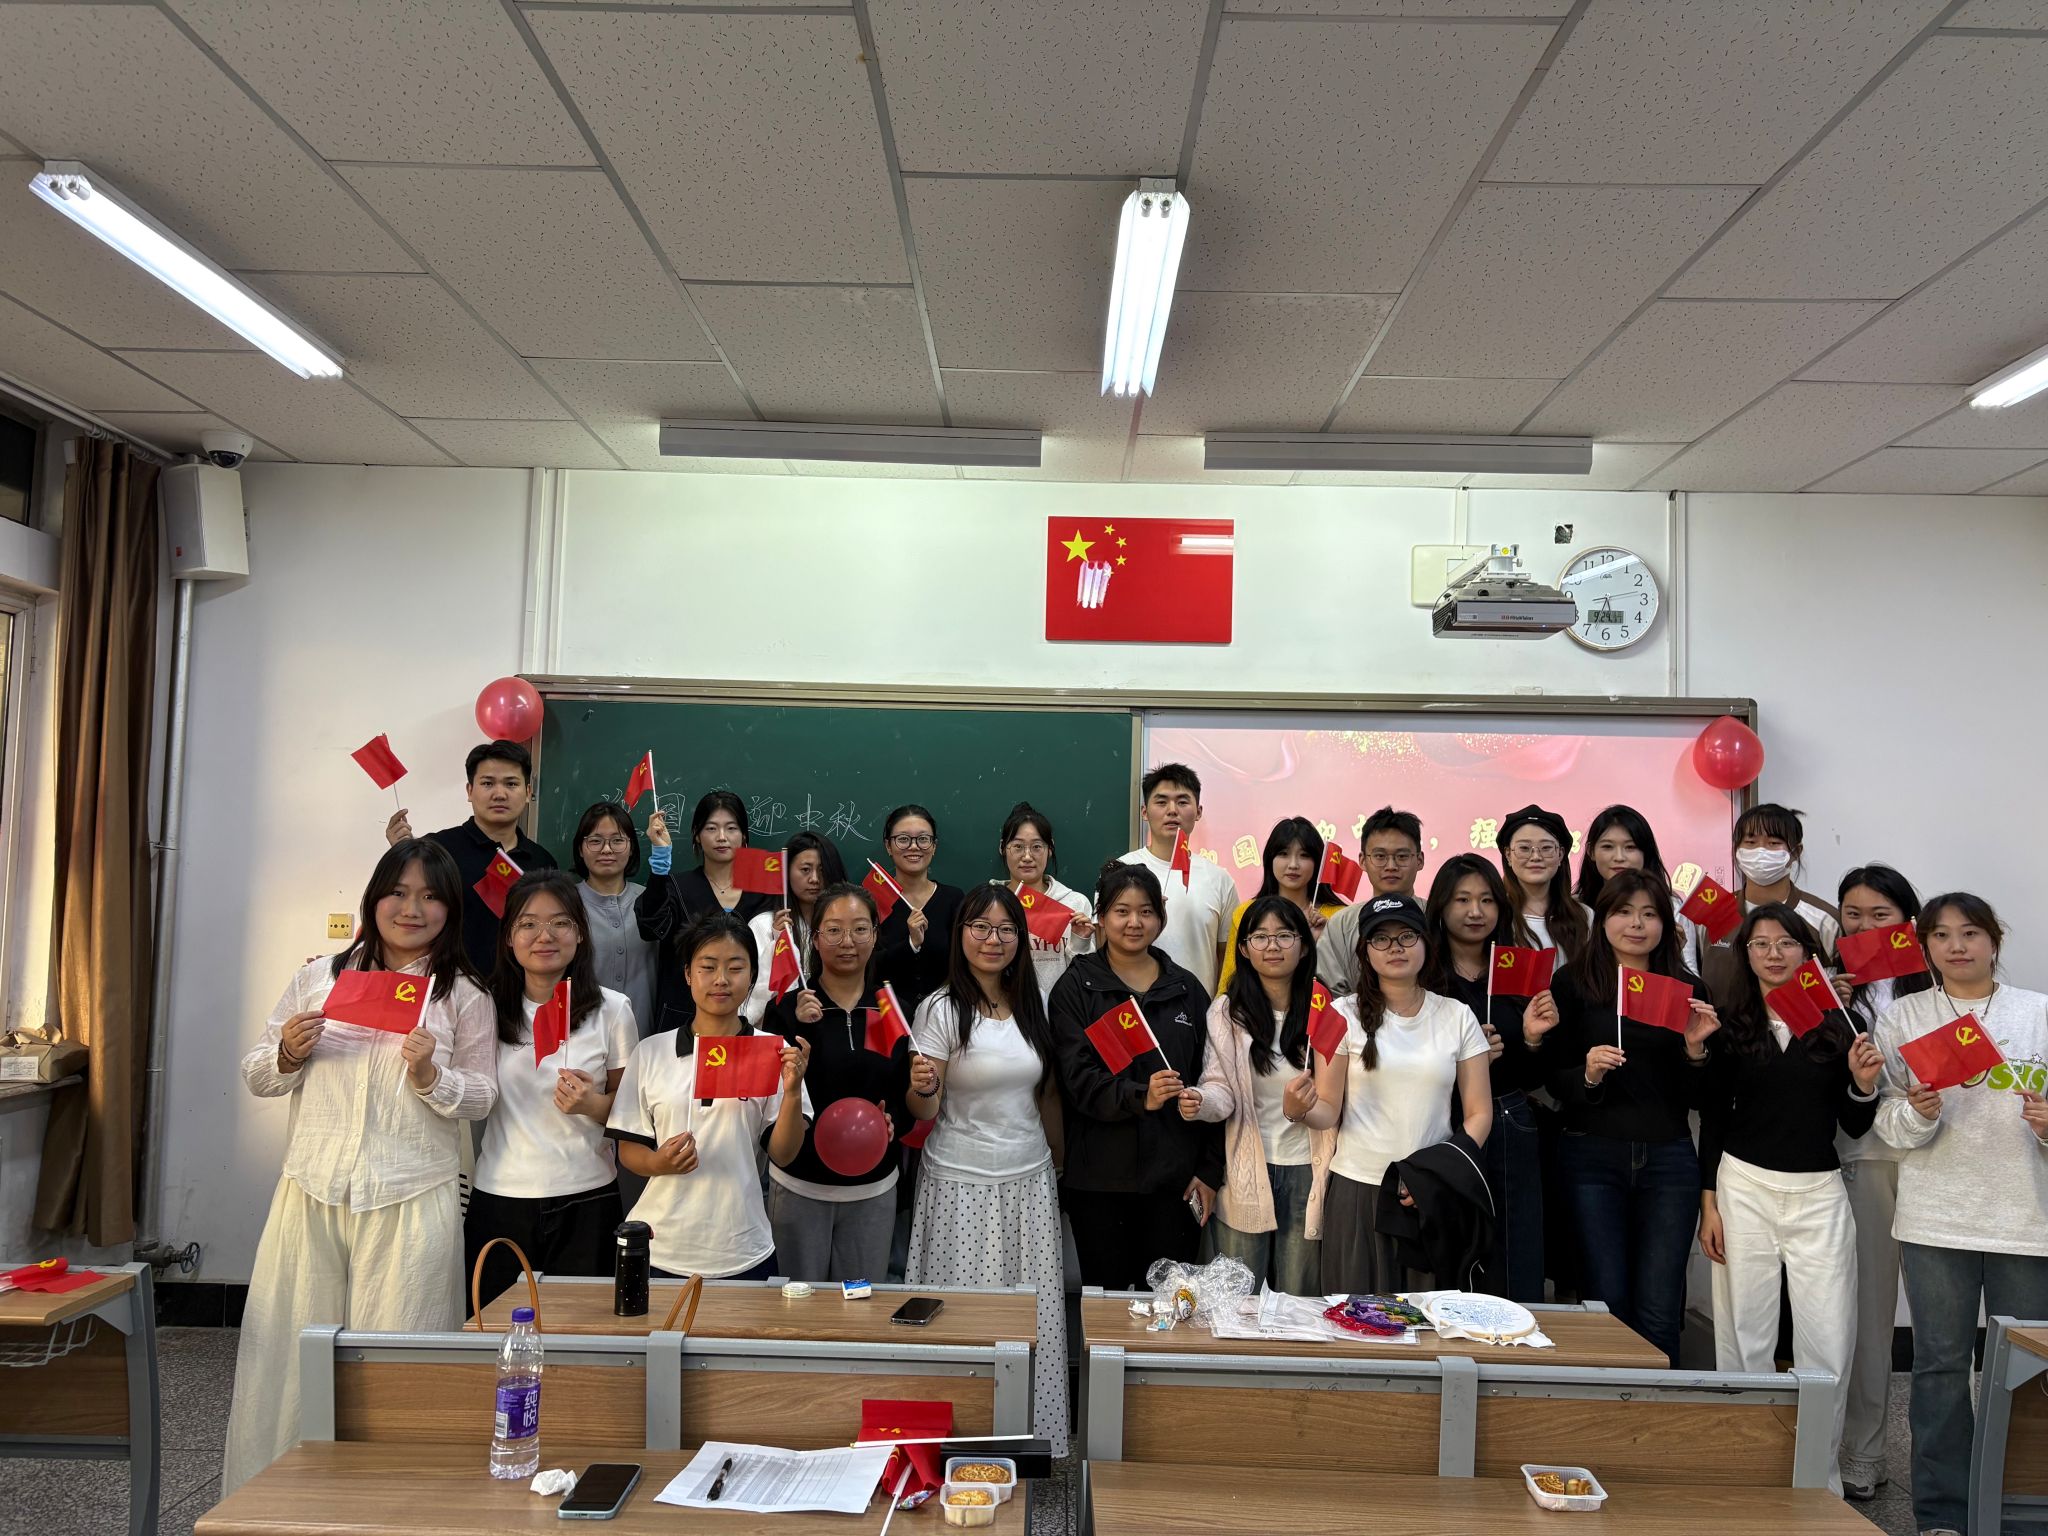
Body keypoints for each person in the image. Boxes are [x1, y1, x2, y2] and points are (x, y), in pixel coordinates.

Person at [223, 840, 496, 1495]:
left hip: (412, 1195)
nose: (412, 908)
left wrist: (430, 1076)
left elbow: (484, 1094)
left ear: (451, 909)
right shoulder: (319, 978)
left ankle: (395, 1507)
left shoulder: (462, 994)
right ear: (374, 899)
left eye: (430, 896)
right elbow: (257, 1073)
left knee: (401, 1369)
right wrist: (287, 1053)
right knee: (288, 1358)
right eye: (398, 892)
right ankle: (278, 1504)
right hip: (312, 1191)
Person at [1872, 892, 2048, 1536]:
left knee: (2027, 1370)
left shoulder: (2039, 1013)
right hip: (1935, 1219)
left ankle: (2020, 1507)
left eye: (1970, 932)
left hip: (2026, 1220)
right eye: (1941, 935)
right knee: (1941, 1367)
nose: (1957, 946)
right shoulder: (1904, 1018)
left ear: (1994, 939)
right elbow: (1887, 1121)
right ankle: (1943, 1513)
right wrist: (1917, 1114)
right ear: (1925, 947)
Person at [1697, 905, 1883, 1490]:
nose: (1774, 954)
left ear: (1809, 953)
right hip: (1742, 1185)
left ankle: (1818, 1479)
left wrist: (1864, 1085)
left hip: (1818, 1193)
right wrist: (1709, 1202)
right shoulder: (1731, 1024)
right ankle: (1744, 1471)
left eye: (1786, 943)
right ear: (1746, 954)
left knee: (1827, 1340)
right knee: (1743, 1335)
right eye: (1761, 944)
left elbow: (1854, 1124)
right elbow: (1714, 1118)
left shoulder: (1841, 1023)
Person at [904, 884, 1069, 1446]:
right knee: (963, 1319)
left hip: (1029, 1181)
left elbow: (1046, 1095)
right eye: (980, 927)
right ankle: (960, 1440)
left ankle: (1029, 1439)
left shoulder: (1035, 1001)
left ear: (1021, 938)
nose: (993, 940)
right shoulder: (940, 1008)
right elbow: (923, 1109)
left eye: (1005, 929)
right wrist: (923, 1087)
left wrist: (1058, 1169)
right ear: (961, 935)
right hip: (960, 1185)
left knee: (1031, 1319)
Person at [1544, 869, 1718, 1365]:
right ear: (1603, 919)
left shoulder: (1687, 987)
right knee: (1605, 1302)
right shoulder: (1573, 983)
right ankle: (1606, 1408)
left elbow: (1702, 1097)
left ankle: (1658, 1407)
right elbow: (1553, 1078)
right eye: (1623, 912)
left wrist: (1695, 1051)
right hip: (1591, 1156)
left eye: (1649, 914)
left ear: (1665, 923)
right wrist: (1588, 1074)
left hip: (1669, 1160)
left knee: (1660, 1306)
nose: (1636, 925)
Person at [1295, 894, 1492, 1295]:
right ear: (1365, 951)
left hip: (1430, 1192)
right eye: (1381, 939)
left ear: (1426, 943)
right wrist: (1299, 1109)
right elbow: (1328, 1109)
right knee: (1356, 1317)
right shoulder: (1340, 1014)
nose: (1395, 947)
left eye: (1406, 936)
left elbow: (1479, 1113)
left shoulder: (1457, 1016)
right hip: (1358, 1188)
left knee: (1427, 1319)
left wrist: (1434, 1175)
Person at [605, 914, 811, 1280]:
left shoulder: (773, 1052)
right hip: (661, 1247)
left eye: (735, 967)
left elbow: (784, 1153)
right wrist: (658, 1162)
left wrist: (792, 1092)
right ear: (688, 974)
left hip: (744, 1248)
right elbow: (630, 1149)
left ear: (752, 975)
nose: (721, 979)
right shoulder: (651, 1051)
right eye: (708, 967)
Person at [467, 871, 638, 1310]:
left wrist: (593, 1104)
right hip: (501, 1197)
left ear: (580, 933)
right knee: (497, 1330)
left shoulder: (613, 1009)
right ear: (509, 938)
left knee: (583, 1333)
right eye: (528, 924)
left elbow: (632, 1112)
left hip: (588, 1198)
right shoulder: (483, 1006)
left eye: (560, 922)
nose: (545, 936)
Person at [1051, 861, 1222, 1290]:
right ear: (1101, 916)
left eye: (1146, 911)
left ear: (1160, 918)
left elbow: (1216, 1082)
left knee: (1168, 1307)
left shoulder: (1187, 989)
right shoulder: (1076, 988)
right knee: (1104, 1308)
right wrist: (1139, 1095)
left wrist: (1209, 1170)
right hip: (1099, 1182)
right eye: (1121, 911)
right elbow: (1076, 1079)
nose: (1134, 922)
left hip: (1175, 1182)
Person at [1830, 864, 1934, 1503]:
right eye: (1853, 915)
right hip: (1866, 1159)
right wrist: (1830, 1007)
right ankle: (1863, 1454)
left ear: (1908, 924)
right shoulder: (1828, 987)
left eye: (1880, 916)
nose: (1865, 926)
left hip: (1936, 1161)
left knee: (1940, 1319)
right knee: (1868, 1315)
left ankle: (1946, 1466)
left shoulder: (1941, 983)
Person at [764, 882, 926, 1282]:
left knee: (860, 1304)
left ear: (875, 934)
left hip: (873, 1189)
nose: (847, 942)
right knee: (796, 1305)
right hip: (800, 1187)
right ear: (815, 939)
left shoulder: (891, 1008)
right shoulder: (786, 1009)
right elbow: (771, 1097)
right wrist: (798, 1025)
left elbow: (904, 1092)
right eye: (834, 930)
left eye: (860, 929)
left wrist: (893, 1121)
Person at [1421, 854, 1558, 1301]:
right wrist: (1463, 1055)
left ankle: (1516, 1337)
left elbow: (1538, 1076)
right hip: (1440, 1122)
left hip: (1508, 1119)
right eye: (1462, 900)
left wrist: (1532, 1039)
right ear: (1441, 906)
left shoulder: (1520, 970)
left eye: (1486, 900)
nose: (1475, 911)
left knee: (1514, 1246)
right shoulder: (1423, 974)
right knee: (1450, 1246)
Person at [1185, 895, 1334, 1296]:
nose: (1272, 946)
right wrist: (1201, 1102)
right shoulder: (1226, 1013)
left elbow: (1339, 1095)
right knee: (1237, 1299)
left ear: (1304, 946)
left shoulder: (1327, 1009)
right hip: (1246, 1166)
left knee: (1299, 1298)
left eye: (1284, 935)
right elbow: (1220, 1088)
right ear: (1245, 949)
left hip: (1308, 1171)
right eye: (1260, 937)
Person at [386, 739, 557, 978]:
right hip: (447, 988)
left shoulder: (542, 861)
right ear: (469, 791)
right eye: (487, 783)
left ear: (528, 793)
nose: (500, 794)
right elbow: (400, 918)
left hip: (520, 990)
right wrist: (402, 858)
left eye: (511, 784)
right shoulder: (435, 850)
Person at [636, 791, 778, 1038]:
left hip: (749, 1026)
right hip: (682, 1023)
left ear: (744, 836)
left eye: (731, 828)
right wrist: (660, 862)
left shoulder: (765, 892)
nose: (722, 837)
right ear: (697, 836)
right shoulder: (677, 887)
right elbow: (650, 928)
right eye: (711, 828)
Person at [1700, 804, 1841, 1008]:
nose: (1760, 851)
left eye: (1773, 843)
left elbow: (1834, 992)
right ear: (1736, 849)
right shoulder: (1709, 913)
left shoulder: (1825, 920)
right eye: (1750, 842)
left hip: (1798, 1027)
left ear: (1796, 851)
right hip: (1721, 1027)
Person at [1120, 764, 1239, 996]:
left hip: (1199, 1010)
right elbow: (1104, 945)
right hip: (1133, 1009)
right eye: (1161, 802)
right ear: (1144, 812)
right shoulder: (1120, 871)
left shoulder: (1220, 880)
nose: (1172, 810)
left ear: (1199, 812)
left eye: (1183, 802)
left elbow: (1227, 959)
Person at [1574, 804, 1704, 975]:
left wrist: (1671, 954)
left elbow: (1690, 974)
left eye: (1630, 847)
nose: (1619, 857)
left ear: (1646, 852)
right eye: (1608, 847)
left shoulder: (1671, 906)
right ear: (1591, 851)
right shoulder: (1576, 908)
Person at [1216, 817, 1339, 992]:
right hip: (1256, 1007)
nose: (1293, 865)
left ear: (1318, 862)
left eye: (1304, 855)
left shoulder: (1339, 917)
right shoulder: (1245, 913)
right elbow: (1229, 984)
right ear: (1270, 859)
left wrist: (1325, 941)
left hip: (1321, 1007)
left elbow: (1350, 983)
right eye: (1283, 854)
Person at [1316, 806, 1425, 996]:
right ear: (1362, 860)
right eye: (1380, 856)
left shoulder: (1436, 915)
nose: (1391, 866)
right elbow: (1329, 992)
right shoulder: (1341, 924)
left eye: (1402, 856)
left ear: (1420, 860)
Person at [572, 801, 656, 1037]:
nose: (606, 850)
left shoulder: (651, 901)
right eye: (595, 841)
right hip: (581, 1039)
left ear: (631, 848)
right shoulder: (565, 904)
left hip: (643, 1037)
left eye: (617, 841)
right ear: (580, 848)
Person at [745, 830, 847, 1021]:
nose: (814, 879)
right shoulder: (763, 925)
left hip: (833, 1022)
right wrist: (777, 943)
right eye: (805, 870)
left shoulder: (845, 927)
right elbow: (750, 997)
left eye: (822, 870)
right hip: (776, 1027)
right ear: (787, 873)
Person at [875, 804, 966, 1015]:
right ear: (888, 846)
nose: (914, 847)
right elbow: (867, 966)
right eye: (903, 839)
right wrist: (911, 944)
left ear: (934, 846)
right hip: (888, 1016)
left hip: (945, 1015)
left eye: (923, 839)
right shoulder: (872, 900)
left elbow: (963, 962)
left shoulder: (953, 899)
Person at [999, 802, 1094, 1003]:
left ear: (1050, 849)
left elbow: (1088, 974)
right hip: (1006, 1011)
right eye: (1017, 846)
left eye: (1036, 847)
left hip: (1063, 1010)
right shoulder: (991, 904)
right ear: (1002, 848)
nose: (1027, 856)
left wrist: (1080, 942)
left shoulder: (1075, 903)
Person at [1495, 804, 1589, 961]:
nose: (1536, 857)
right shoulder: (1495, 914)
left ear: (1560, 854)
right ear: (1508, 855)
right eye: (1524, 848)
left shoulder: (1583, 916)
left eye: (1546, 848)